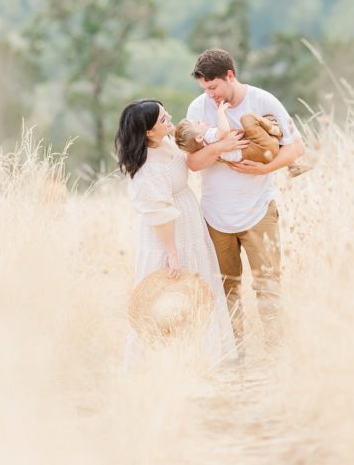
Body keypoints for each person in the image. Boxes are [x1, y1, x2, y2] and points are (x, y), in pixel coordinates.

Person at [185, 48, 305, 346]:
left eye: (213, 87)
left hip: (259, 210)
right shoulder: (197, 110)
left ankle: (275, 350)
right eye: (204, 88)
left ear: (230, 75)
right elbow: (192, 163)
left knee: (268, 285)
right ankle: (234, 350)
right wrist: (219, 147)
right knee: (227, 288)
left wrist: (263, 168)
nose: (210, 95)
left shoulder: (263, 100)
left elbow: (295, 148)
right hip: (215, 215)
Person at [115, 99, 238, 366]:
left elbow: (188, 162)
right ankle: (158, 360)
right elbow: (159, 214)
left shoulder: (165, 144)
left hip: (187, 220)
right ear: (148, 132)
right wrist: (172, 253)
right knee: (166, 292)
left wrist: (217, 145)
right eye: (162, 119)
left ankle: (205, 353)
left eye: (165, 112)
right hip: (168, 234)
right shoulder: (146, 169)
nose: (169, 117)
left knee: (198, 286)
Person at [174, 100, 284, 164]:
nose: (202, 122)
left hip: (262, 157)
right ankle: (274, 129)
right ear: (199, 138)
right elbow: (224, 130)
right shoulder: (209, 136)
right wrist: (220, 112)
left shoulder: (208, 151)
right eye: (198, 123)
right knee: (247, 119)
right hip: (260, 147)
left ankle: (275, 137)